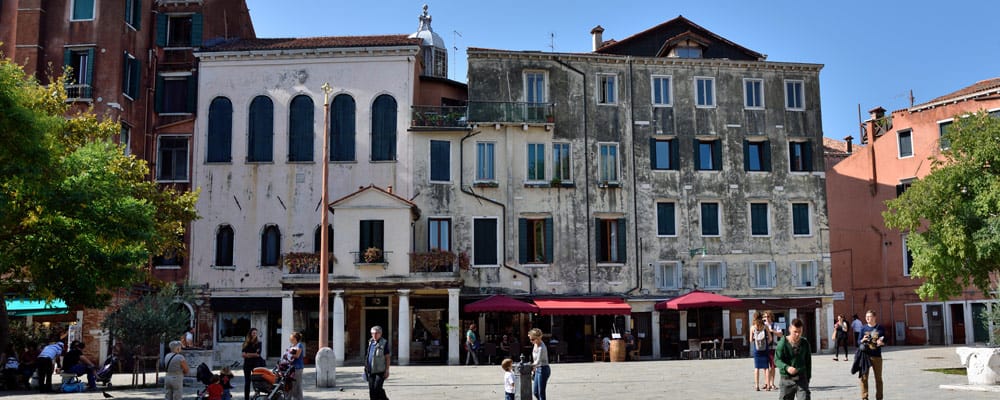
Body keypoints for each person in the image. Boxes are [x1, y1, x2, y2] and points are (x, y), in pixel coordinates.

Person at [775, 318, 812, 399]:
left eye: (800, 332)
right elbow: (777, 360)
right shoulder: (783, 343)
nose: (797, 334)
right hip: (786, 379)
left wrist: (808, 378)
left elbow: (808, 362)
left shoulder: (805, 343)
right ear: (790, 329)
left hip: (801, 378)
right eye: (795, 332)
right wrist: (786, 367)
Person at [857, 310, 886, 400]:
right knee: (864, 378)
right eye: (866, 316)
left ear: (874, 317)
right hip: (865, 356)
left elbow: (886, 340)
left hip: (877, 356)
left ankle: (879, 397)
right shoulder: (863, 328)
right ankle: (864, 397)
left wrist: (881, 343)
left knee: (878, 379)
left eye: (869, 316)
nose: (867, 318)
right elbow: (858, 342)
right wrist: (862, 340)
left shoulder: (880, 328)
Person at [365, 325, 391, 400]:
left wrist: (387, 370)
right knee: (372, 390)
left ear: (380, 334)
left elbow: (387, 357)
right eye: (372, 333)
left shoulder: (384, 343)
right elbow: (368, 356)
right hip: (370, 370)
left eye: (376, 333)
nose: (374, 335)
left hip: (380, 370)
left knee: (377, 388)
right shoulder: (370, 342)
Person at [750, 311, 771, 391]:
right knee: (766, 368)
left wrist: (756, 340)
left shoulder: (752, 327)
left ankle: (757, 386)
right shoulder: (765, 326)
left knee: (757, 368)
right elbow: (770, 338)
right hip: (765, 349)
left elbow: (751, 340)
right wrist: (766, 343)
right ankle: (768, 386)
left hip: (757, 349)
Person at [241, 327, 264, 400]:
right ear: (250, 334)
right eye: (253, 333)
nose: (255, 334)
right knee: (247, 382)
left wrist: (248, 354)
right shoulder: (246, 343)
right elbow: (243, 355)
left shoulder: (259, 343)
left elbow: (258, 354)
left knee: (256, 382)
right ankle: (246, 398)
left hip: (256, 364)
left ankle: (256, 397)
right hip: (247, 365)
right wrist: (252, 354)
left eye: (256, 333)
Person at [763, 311, 783, 391]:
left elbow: (781, 334)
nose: (766, 318)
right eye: (765, 316)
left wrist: (772, 331)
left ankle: (772, 383)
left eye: (768, 316)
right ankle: (766, 383)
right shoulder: (763, 325)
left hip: (773, 348)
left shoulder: (775, 325)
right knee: (765, 367)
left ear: (771, 317)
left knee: (772, 366)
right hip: (764, 348)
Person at [528, 328, 550, 400]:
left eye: (532, 339)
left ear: (538, 338)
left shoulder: (541, 347)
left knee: (541, 393)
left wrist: (529, 366)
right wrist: (533, 370)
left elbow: (537, 361)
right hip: (538, 369)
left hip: (543, 369)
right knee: (535, 392)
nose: (531, 341)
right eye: (530, 339)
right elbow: (535, 360)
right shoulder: (535, 344)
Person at [286, 331, 305, 400]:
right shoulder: (291, 346)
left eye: (291, 337)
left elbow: (297, 356)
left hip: (298, 367)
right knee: (291, 384)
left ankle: (299, 398)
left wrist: (289, 354)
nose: (290, 339)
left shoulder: (299, 345)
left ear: (295, 338)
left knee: (297, 385)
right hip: (291, 367)